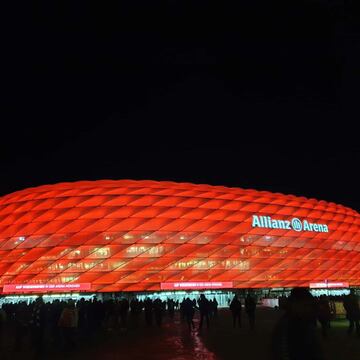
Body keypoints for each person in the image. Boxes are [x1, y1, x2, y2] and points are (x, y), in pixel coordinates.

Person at [271, 287, 324, 360]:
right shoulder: (289, 326)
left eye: (309, 305)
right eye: (305, 305)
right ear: (294, 304)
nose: (308, 309)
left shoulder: (300, 322)